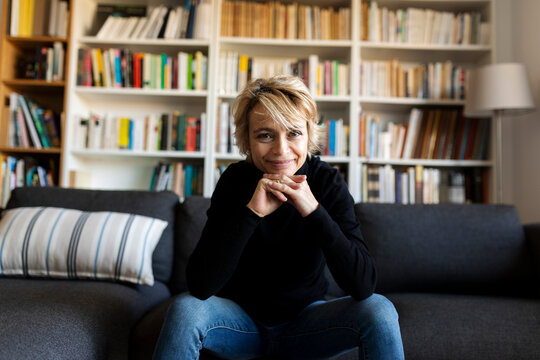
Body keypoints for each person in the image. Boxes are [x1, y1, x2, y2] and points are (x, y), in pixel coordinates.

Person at [153, 75, 404, 360]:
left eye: (293, 133)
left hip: (306, 328)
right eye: (265, 135)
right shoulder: (235, 181)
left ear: (309, 135)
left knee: (380, 310)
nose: (281, 150)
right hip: (240, 327)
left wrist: (313, 210)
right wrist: (252, 213)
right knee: (186, 309)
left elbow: (362, 285)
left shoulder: (327, 182)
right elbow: (200, 285)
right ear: (247, 139)